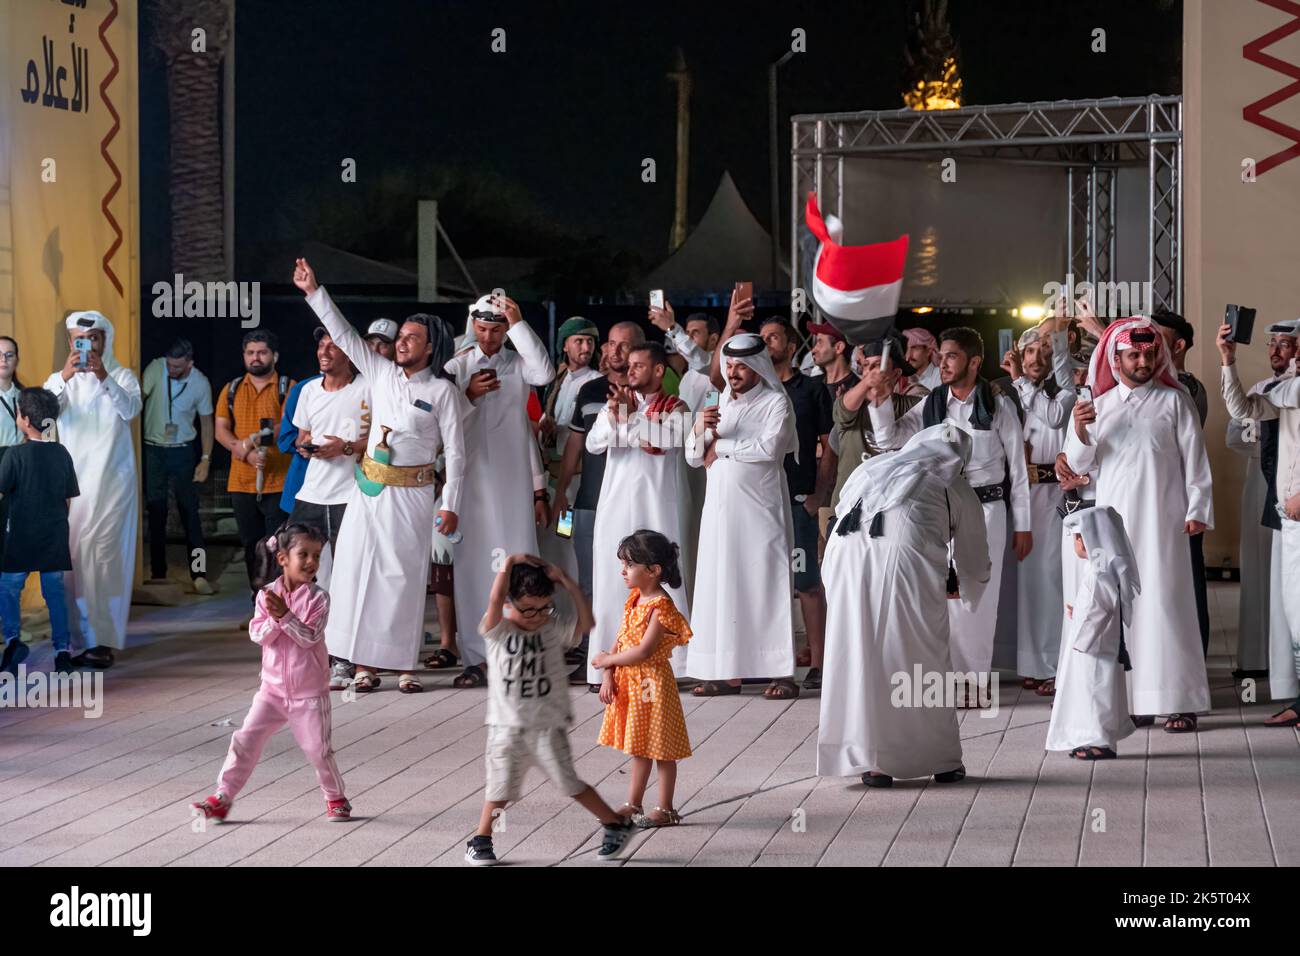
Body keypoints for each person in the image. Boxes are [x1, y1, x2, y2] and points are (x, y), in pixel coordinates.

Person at [295, 260, 464, 696]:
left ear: (430, 349)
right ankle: (363, 666)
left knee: (401, 577)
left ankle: (405, 665)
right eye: (401, 337)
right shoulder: (382, 373)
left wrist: (451, 505)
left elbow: (459, 454)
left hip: (413, 494)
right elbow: (347, 335)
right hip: (368, 490)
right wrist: (314, 292)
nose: (402, 343)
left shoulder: (442, 392)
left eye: (412, 338)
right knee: (357, 572)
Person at [864, 327, 1032, 705]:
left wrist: (1023, 524)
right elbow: (891, 440)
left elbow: (1017, 470)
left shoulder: (996, 404)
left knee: (978, 596)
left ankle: (976, 682)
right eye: (940, 355)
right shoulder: (934, 402)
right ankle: (945, 680)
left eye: (951, 356)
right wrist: (879, 402)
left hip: (987, 508)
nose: (942, 363)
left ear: (974, 362)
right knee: (943, 594)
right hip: (940, 510)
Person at [1061, 317, 1212, 733]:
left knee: (1168, 606)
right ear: (1117, 358)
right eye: (1134, 355)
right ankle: (1136, 700)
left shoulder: (1175, 401)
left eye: (1149, 354)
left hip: (1167, 525)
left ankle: (1180, 701)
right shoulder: (1099, 407)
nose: (1143, 360)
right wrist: (1079, 428)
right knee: (1124, 611)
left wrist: (1198, 508)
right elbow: (1077, 467)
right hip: (1115, 527)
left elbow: (1195, 463)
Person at [817, 425, 988, 786]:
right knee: (922, 656)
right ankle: (940, 760)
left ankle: (870, 760)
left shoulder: (873, 466)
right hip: (903, 561)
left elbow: (837, 513)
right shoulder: (952, 482)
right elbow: (975, 556)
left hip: (843, 559)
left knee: (858, 651)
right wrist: (969, 589)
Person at [466, 554, 633, 865]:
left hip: (547, 725)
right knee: (499, 786)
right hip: (506, 726)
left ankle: (615, 823)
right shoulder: (498, 630)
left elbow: (587, 623)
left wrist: (566, 581)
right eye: (527, 608)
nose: (536, 615)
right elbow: (494, 596)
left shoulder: (552, 628)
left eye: (544, 608)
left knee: (568, 783)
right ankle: (482, 838)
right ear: (508, 603)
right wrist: (508, 564)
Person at [191, 523, 350, 823]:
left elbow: (309, 637)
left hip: (309, 694)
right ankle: (222, 797)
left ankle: (336, 797)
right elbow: (258, 634)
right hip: (272, 692)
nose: (311, 562)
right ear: (282, 559)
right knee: (244, 740)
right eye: (303, 554)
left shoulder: (319, 599)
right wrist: (278, 620)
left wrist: (284, 616)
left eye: (316, 555)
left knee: (318, 751)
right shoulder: (266, 594)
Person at [444, 294, 555, 689]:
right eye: (483, 328)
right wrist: (468, 394)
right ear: (472, 325)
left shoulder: (518, 364)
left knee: (520, 565)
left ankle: (521, 651)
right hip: (472, 484)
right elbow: (440, 421)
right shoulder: (456, 367)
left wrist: (520, 323)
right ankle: (476, 657)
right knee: (473, 569)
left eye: (497, 330)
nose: (489, 338)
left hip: (512, 486)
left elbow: (544, 373)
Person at [686, 331, 799, 699]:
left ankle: (779, 673)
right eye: (729, 365)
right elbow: (692, 456)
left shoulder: (775, 404)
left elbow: (769, 448)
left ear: (758, 367)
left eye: (741, 366)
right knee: (721, 585)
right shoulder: (721, 403)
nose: (733, 373)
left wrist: (723, 446)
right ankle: (722, 672)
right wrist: (702, 431)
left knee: (764, 583)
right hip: (720, 513)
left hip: (760, 510)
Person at [584, 343, 694, 686]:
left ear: (658, 370)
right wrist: (620, 419)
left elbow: (663, 440)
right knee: (611, 580)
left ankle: (675, 665)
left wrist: (629, 421)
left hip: (657, 504)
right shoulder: (613, 405)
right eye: (628, 365)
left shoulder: (677, 407)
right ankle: (606, 663)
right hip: (615, 504)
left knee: (660, 578)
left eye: (638, 366)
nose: (629, 372)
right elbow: (594, 443)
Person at [44, 311, 141, 669]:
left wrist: (103, 376)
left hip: (112, 485)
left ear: (105, 340)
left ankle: (102, 641)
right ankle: (73, 638)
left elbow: (130, 409)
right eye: (79, 340)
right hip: (71, 488)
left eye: (94, 339)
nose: (87, 346)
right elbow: (44, 415)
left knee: (103, 560)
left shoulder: (121, 375)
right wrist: (66, 376)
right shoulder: (59, 380)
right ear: (70, 343)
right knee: (71, 562)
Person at [1217, 320, 1300, 724]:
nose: (1275, 352)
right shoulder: (1280, 389)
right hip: (1287, 508)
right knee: (1292, 608)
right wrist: (1228, 362)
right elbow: (1243, 410)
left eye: (1285, 345)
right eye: (1273, 345)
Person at [553, 322, 640, 685]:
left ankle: (635, 654)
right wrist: (561, 491)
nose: (616, 352)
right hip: (589, 499)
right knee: (588, 581)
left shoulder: (649, 391)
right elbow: (575, 444)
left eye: (625, 346)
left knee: (631, 581)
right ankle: (592, 653)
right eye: (612, 344)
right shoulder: (590, 390)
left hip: (633, 501)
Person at [593, 530, 693, 828]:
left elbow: (644, 650)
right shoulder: (636, 598)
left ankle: (666, 808)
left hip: (652, 685)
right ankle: (633, 803)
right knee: (639, 747)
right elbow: (622, 640)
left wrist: (608, 660)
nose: (623, 571)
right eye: (623, 564)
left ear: (653, 570)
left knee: (661, 748)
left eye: (629, 565)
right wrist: (609, 673)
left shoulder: (660, 607)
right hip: (632, 684)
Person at [761, 316, 834, 691]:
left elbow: (829, 445)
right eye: (761, 338)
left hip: (798, 499)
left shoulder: (811, 389)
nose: (765, 343)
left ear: (791, 347)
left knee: (806, 582)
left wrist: (820, 494)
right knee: (766, 583)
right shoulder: (753, 389)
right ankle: (769, 659)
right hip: (760, 500)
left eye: (772, 337)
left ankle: (818, 662)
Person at [1004, 321, 1075, 693]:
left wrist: (1021, 381)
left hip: (1053, 496)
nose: (1037, 358)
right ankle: (1030, 661)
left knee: (1050, 579)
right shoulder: (1012, 395)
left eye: (1044, 352)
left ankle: (1054, 664)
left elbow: (1053, 417)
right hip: (1023, 495)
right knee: (1026, 582)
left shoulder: (1063, 394)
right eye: (1030, 351)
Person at [1046, 505, 1139, 760]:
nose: (1076, 543)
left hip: (1094, 648)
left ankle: (1101, 741)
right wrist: (1078, 613)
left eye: (1078, 537)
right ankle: (1090, 737)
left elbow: (1101, 609)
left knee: (1096, 691)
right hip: (1092, 645)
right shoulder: (1098, 571)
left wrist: (1082, 636)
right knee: (1090, 691)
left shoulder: (1101, 574)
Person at [0, 388, 79, 675]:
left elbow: (2, 489)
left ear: (23, 419)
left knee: (8, 587)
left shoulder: (14, 454)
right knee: (55, 593)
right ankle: (62, 651)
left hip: (20, 534)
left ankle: (12, 641)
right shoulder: (61, 453)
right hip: (53, 534)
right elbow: (69, 496)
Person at [215, 330, 296, 598]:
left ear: (275, 356)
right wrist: (246, 453)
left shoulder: (289, 387)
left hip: (278, 481)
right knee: (250, 544)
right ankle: (258, 602)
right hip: (242, 482)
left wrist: (252, 441)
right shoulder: (232, 389)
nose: (256, 358)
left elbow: (289, 425)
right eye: (250, 353)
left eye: (261, 352)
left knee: (276, 546)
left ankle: (278, 602)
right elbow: (221, 430)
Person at [287, 328, 368, 590]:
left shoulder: (368, 387)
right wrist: (304, 446)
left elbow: (386, 440)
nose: (324, 351)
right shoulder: (309, 390)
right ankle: (301, 623)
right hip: (312, 492)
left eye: (333, 346)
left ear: (349, 353)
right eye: (321, 345)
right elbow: (302, 435)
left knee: (350, 567)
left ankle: (343, 626)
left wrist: (346, 447)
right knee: (297, 564)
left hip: (352, 493)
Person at [1153, 310, 1211, 656]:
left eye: (1156, 338)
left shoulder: (1187, 388)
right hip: (1152, 499)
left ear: (1178, 345)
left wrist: (1103, 333)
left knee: (1187, 582)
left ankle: (1193, 656)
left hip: (1182, 501)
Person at [141, 339, 215, 595]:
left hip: (183, 450)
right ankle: (158, 573)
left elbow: (207, 422)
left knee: (190, 514)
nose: (171, 370)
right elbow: (136, 402)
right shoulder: (155, 368)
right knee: (156, 511)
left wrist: (205, 459)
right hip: (153, 449)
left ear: (190, 363)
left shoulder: (200, 383)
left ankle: (199, 574)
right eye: (169, 365)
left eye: (177, 367)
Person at [830, 337, 925, 512]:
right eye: (867, 366)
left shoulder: (912, 405)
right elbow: (844, 409)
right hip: (848, 506)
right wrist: (867, 383)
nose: (872, 371)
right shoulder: (852, 402)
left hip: (894, 506)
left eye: (878, 365)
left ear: (896, 374)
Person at [0, 336, 25, 593]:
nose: (3, 360)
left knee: (11, 544)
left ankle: (7, 618)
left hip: (19, 471)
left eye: (9, 354)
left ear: (17, 359)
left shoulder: (25, 396)